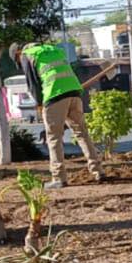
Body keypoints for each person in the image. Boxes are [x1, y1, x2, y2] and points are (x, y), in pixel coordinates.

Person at [10, 40, 103, 188]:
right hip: (74, 93)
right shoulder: (52, 49)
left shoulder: (27, 55)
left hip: (54, 96)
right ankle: (98, 170)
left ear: (17, 53)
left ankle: (58, 178)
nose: (20, 64)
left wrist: (40, 104)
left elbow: (33, 84)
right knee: (82, 133)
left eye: (18, 62)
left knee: (54, 138)